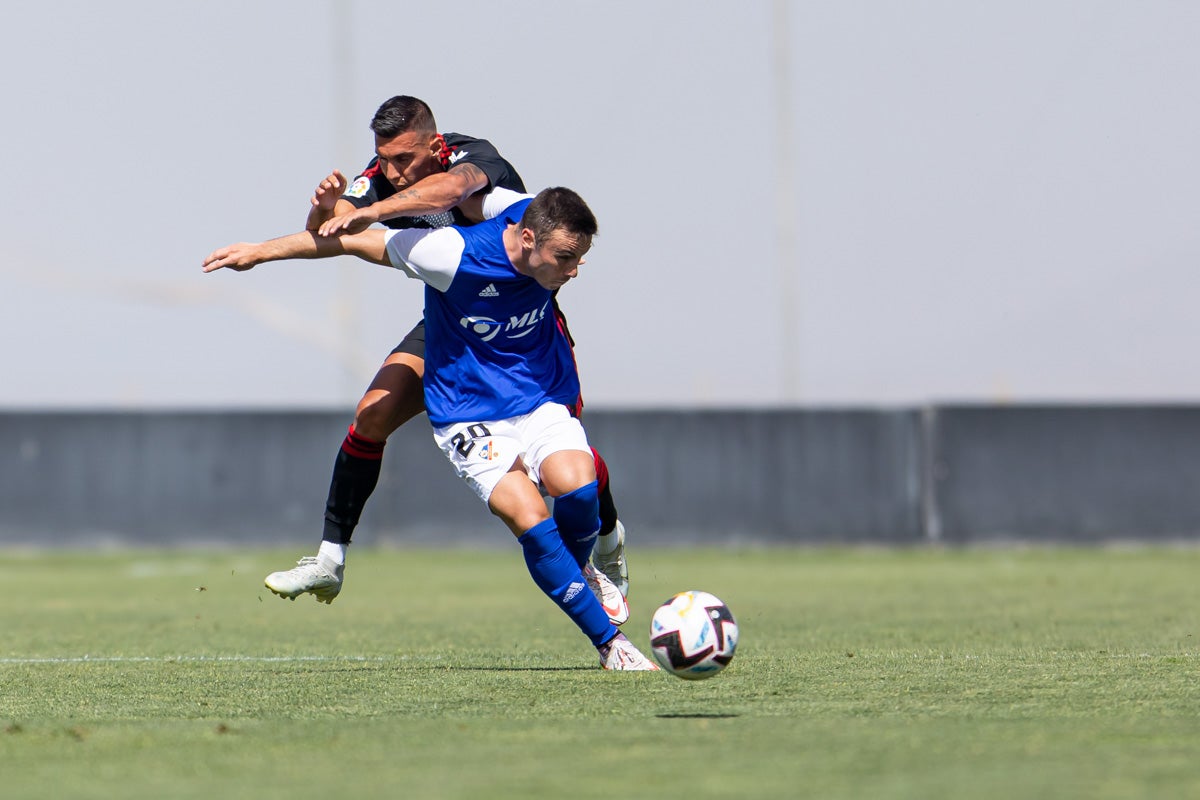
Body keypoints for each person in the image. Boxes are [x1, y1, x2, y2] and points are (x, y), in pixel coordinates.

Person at [204, 187, 656, 670]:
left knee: (578, 488)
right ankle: (611, 644)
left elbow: (465, 181)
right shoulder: (448, 255)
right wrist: (257, 252)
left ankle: (582, 566)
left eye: (580, 260)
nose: (572, 272)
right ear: (527, 238)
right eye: (566, 258)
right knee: (528, 515)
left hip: (538, 394)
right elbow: (352, 241)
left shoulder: (527, 209)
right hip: (469, 412)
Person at [252, 96, 630, 610]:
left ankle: (607, 538)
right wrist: (324, 208)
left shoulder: (476, 158)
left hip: (519, 333)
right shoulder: (384, 174)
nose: (391, 171)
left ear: (433, 144)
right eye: (383, 158)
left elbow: (452, 189)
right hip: (455, 323)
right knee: (372, 415)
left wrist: (377, 212)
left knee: (568, 467)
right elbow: (338, 228)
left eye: (403, 160)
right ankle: (329, 562)